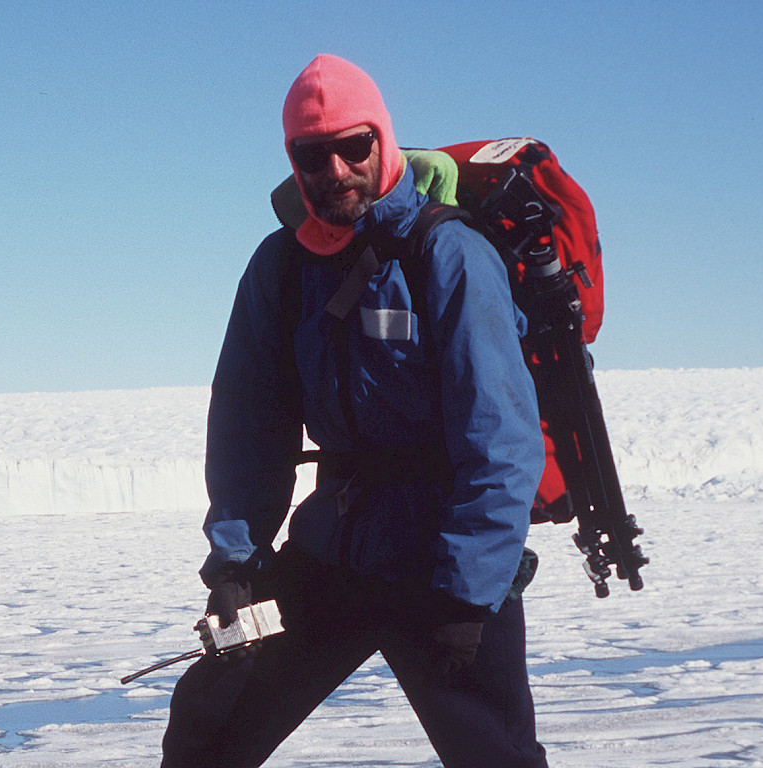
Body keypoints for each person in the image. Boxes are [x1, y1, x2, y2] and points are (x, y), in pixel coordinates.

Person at [159, 54, 550, 768]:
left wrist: (467, 597)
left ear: (382, 140)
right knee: (211, 728)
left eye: (353, 145)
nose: (335, 169)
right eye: (313, 154)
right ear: (293, 160)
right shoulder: (281, 268)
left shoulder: (449, 254)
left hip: (445, 565)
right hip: (335, 550)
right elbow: (250, 426)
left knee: (498, 759)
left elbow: (502, 441)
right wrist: (237, 565)